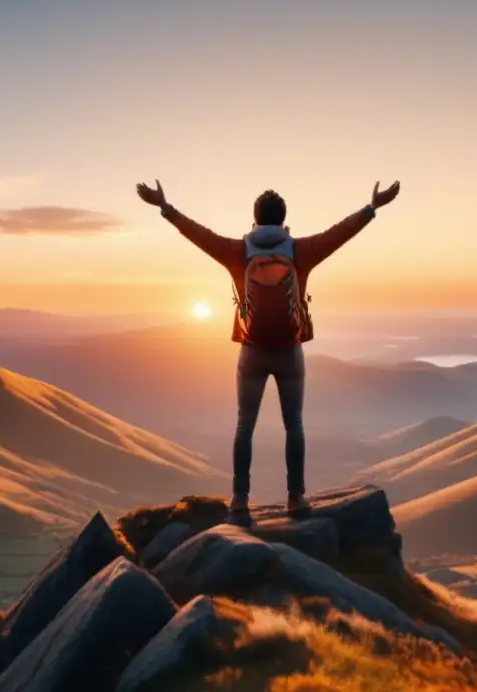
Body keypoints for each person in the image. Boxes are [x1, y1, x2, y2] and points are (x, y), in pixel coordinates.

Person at [135, 179, 401, 525]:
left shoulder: (237, 252)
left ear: (255, 219)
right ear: (284, 218)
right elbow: (340, 233)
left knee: (245, 426)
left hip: (251, 351)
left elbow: (198, 235)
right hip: (289, 351)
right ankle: (295, 498)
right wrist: (372, 207)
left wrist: (165, 207)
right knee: (294, 424)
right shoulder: (300, 251)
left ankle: (240, 500)